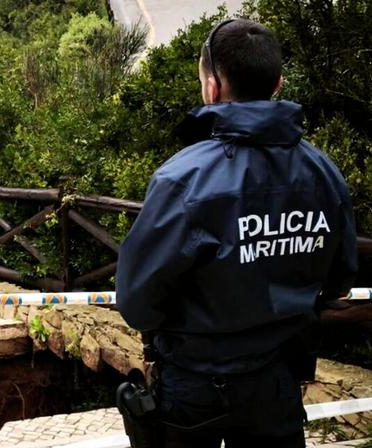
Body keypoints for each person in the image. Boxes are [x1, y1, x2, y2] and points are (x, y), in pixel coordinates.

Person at [116, 19, 357, 448]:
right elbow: (339, 279)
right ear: (278, 84)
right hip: (277, 383)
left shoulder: (183, 179)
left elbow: (137, 301)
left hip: (193, 387)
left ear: (213, 87)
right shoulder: (324, 173)